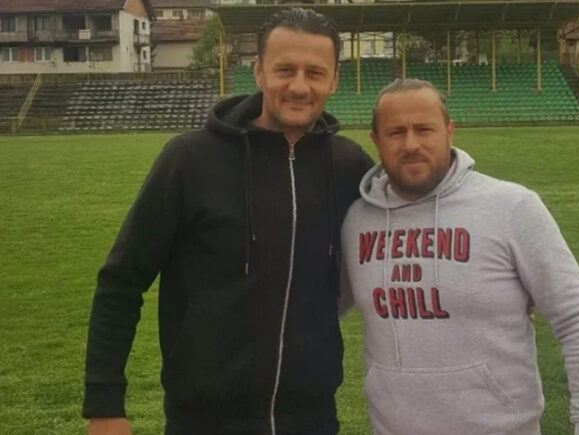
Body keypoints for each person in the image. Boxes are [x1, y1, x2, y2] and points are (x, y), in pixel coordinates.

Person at [83, 8, 373, 435]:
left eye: (315, 72)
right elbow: (121, 280)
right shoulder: (189, 160)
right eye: (284, 70)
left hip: (312, 419)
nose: (299, 86)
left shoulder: (350, 166)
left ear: (333, 80)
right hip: (204, 421)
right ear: (258, 71)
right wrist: (104, 404)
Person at [340, 79, 579, 435]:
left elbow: (577, 319)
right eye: (396, 132)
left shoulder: (512, 207)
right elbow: (322, 309)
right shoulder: (357, 221)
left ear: (449, 132)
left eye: (424, 129)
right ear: (376, 140)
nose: (411, 144)